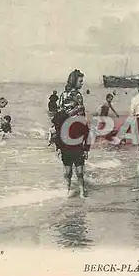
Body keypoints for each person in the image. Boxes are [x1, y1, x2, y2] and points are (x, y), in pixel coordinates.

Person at [55, 69, 90, 198]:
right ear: (74, 81)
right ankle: (79, 191)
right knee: (75, 167)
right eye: (80, 81)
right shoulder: (76, 95)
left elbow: (58, 118)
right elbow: (82, 116)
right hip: (73, 133)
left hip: (67, 133)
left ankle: (71, 190)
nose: (82, 84)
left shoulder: (63, 95)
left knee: (70, 168)